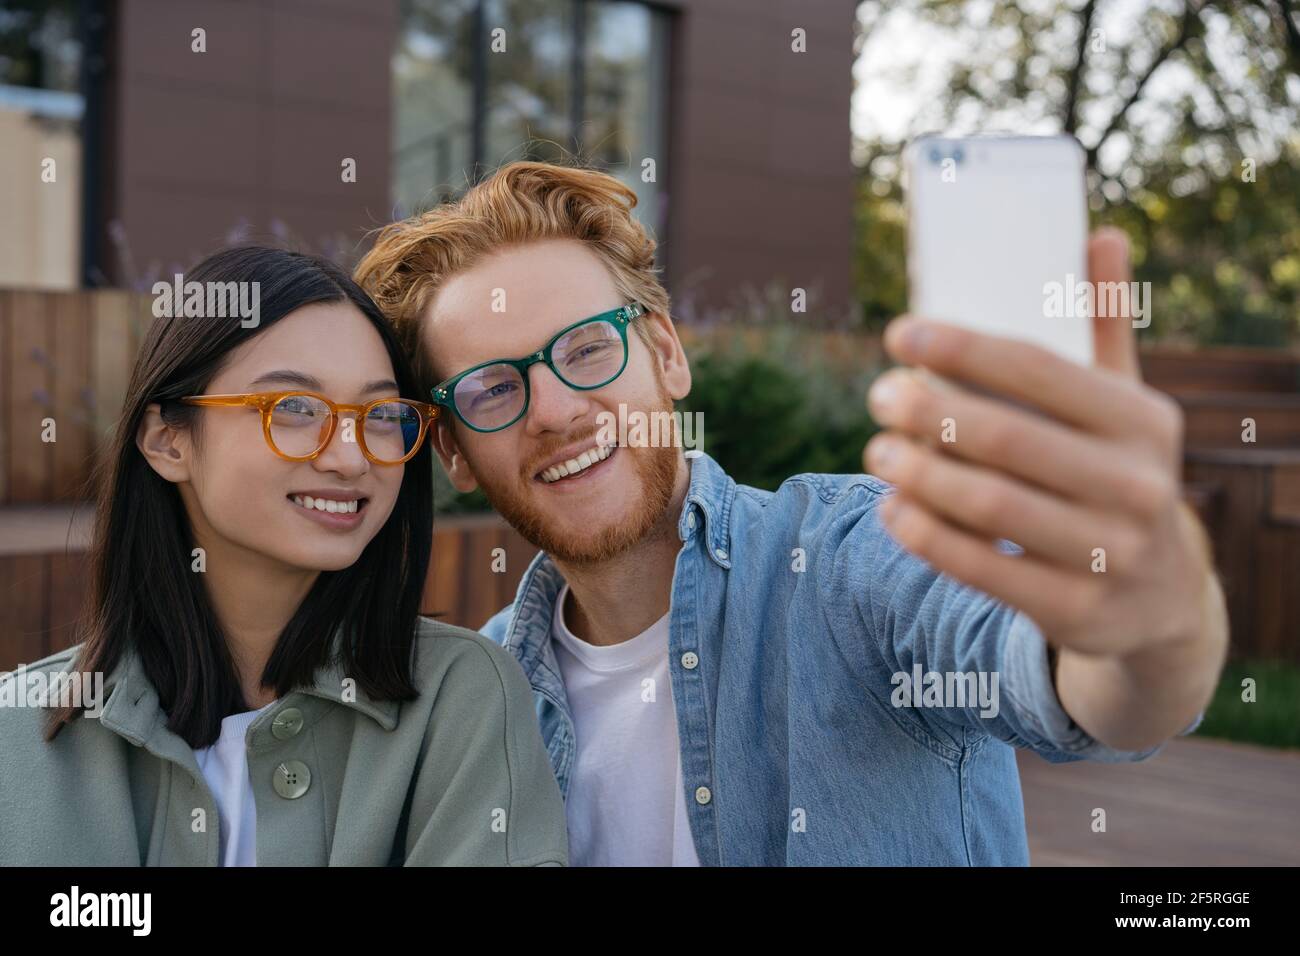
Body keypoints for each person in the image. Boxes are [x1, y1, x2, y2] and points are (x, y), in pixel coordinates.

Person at [354, 161, 1228, 866]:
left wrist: (1148, 624)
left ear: (665, 354)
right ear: (455, 452)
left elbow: (1098, 693)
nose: (552, 409)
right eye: (493, 387)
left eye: (587, 347)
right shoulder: (489, 687)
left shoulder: (853, 558)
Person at [0, 246, 567, 867]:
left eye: (381, 415)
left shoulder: (460, 700)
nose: (350, 458)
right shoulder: (21, 729)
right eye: (294, 408)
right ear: (167, 440)